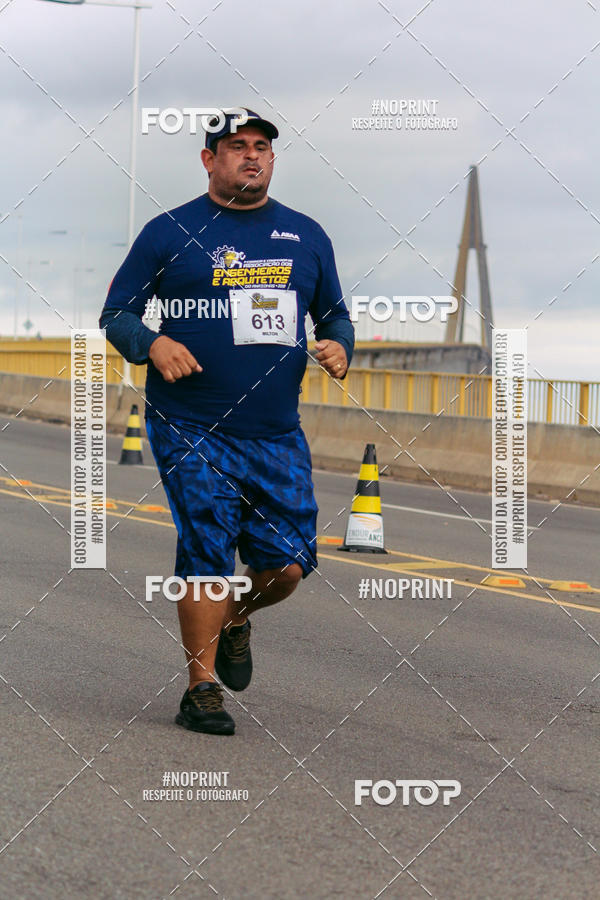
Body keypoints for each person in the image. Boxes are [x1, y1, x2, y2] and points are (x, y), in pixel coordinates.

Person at [100, 107, 354, 735]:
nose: (252, 155)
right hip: (190, 423)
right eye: (237, 146)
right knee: (207, 550)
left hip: (275, 431)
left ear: (273, 158)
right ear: (209, 159)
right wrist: (152, 343)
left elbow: (334, 315)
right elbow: (117, 313)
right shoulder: (170, 232)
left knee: (288, 566)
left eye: (261, 145)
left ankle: (237, 616)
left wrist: (340, 346)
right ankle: (201, 688)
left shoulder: (306, 236)